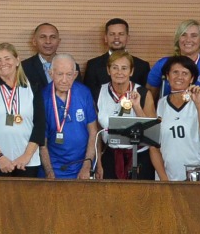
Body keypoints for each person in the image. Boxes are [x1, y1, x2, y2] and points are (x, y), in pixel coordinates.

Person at [0, 43, 45, 177]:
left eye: (7, 58)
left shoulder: (33, 88)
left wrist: (26, 156)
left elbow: (40, 125)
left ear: (17, 60)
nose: (3, 63)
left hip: (28, 162)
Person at [95, 50, 158, 180]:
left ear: (131, 71)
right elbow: (96, 133)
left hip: (139, 156)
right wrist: (98, 163)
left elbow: (152, 134)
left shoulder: (143, 93)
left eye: (124, 68)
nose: (119, 72)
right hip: (110, 156)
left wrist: (137, 107)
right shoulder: (98, 93)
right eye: (115, 68)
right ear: (108, 70)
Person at [154, 55, 200, 181]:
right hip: (167, 174)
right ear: (167, 75)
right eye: (175, 72)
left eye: (185, 73)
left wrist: (199, 105)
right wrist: (163, 178)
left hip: (198, 171)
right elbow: (154, 146)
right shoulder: (160, 104)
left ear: (192, 78)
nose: (179, 77)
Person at [145, 19, 200, 109]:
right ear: (178, 39)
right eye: (183, 35)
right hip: (170, 116)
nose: (188, 40)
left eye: (194, 36)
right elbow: (149, 96)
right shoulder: (163, 64)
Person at [40, 54, 101, 180]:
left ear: (75, 75)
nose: (64, 80)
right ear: (51, 73)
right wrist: (49, 172)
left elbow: (93, 132)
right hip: (53, 167)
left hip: (81, 165)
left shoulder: (84, 93)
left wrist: (86, 166)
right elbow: (42, 142)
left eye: (69, 74)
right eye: (59, 74)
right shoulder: (42, 97)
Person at [82, 17, 151, 101]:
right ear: (106, 38)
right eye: (112, 34)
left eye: (121, 34)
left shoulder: (142, 66)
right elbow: (87, 98)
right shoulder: (93, 65)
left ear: (128, 38)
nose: (116, 37)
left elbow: (146, 99)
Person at [22, 22, 64, 95]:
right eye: (43, 37)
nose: (48, 41)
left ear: (59, 42)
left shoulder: (71, 66)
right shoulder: (23, 67)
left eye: (53, 37)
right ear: (34, 41)